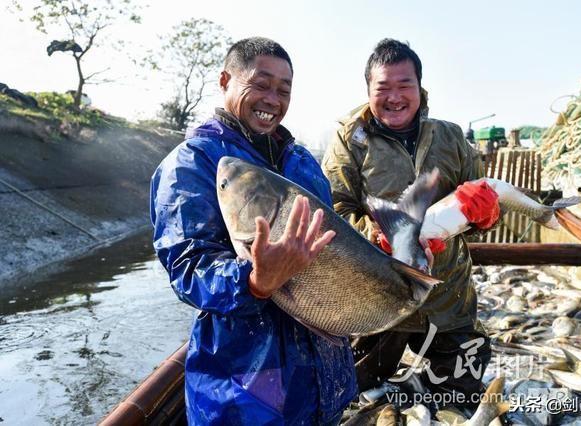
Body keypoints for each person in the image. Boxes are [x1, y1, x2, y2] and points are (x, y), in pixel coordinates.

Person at [150, 37, 356, 425]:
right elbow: (189, 269)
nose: (272, 99)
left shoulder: (302, 161)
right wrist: (256, 281)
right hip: (245, 384)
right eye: (261, 84)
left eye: (283, 90)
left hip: (323, 376)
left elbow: (335, 241)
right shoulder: (191, 162)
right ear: (226, 80)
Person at [322, 39, 498, 410]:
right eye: (383, 88)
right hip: (377, 296)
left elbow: (479, 207)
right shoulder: (348, 140)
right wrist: (375, 234)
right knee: (351, 396)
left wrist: (486, 214)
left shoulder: (450, 136)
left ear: (420, 87)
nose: (395, 97)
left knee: (461, 398)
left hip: (447, 298)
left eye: (405, 85)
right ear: (368, 90)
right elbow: (332, 208)